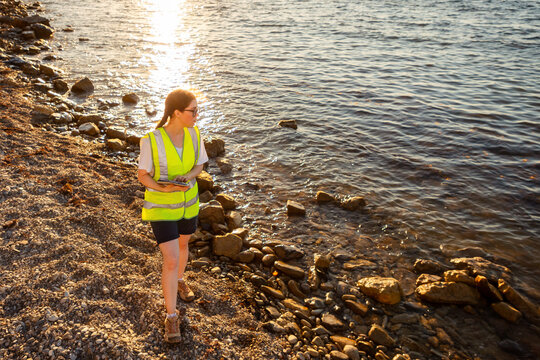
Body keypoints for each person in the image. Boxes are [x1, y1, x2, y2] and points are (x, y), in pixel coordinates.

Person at [137, 89, 208, 343]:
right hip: (162, 209)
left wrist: (189, 176)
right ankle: (171, 316)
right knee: (170, 259)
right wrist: (163, 188)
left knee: (183, 244)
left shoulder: (195, 134)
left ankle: (179, 280)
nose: (197, 115)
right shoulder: (151, 140)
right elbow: (142, 175)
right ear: (176, 112)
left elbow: (199, 164)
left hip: (189, 205)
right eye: (193, 111)